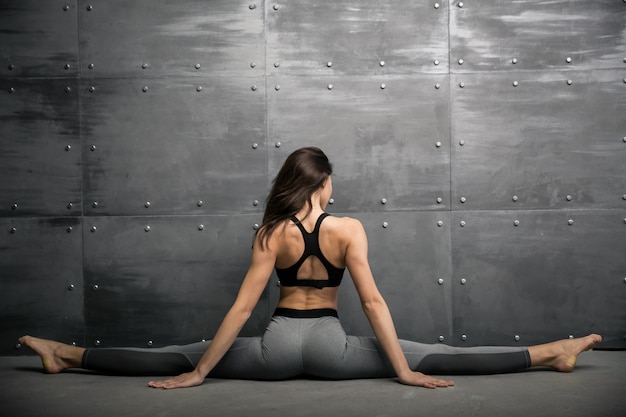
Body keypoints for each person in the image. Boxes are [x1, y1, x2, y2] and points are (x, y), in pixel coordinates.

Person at [19, 147, 601, 390]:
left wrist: (199, 373)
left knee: (182, 351)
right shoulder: (348, 230)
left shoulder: (271, 233)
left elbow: (244, 307)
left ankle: (66, 354)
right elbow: (373, 305)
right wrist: (403, 372)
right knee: (432, 352)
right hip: (333, 349)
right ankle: (551, 352)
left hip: (275, 350)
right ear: (323, 183)